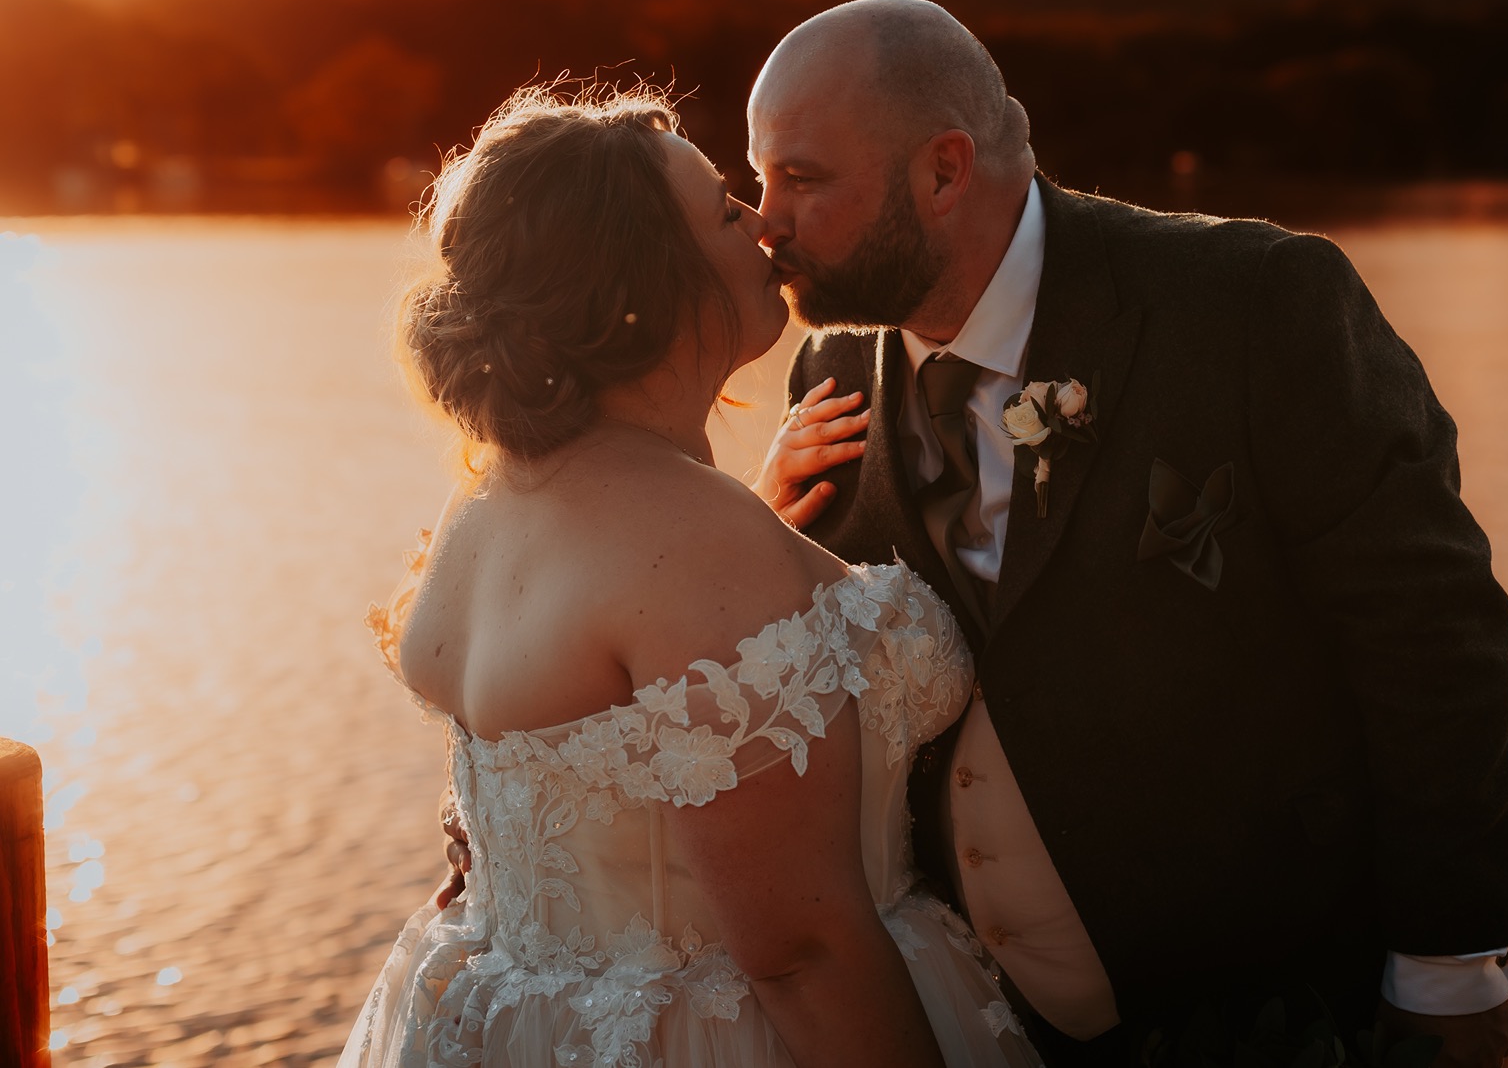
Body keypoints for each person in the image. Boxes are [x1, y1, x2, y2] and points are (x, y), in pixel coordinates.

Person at [745, 0, 1508, 1067]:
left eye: (799, 179)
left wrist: (1447, 966)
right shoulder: (829, 373)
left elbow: (1430, 631)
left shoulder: (1255, 305)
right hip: (983, 1029)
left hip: (1283, 1015)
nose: (764, 220)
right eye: (756, 180)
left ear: (943, 173)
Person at [341, 86, 1042, 1068]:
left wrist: (755, 526)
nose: (763, 225)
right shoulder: (697, 540)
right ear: (646, 275)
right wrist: (740, 540)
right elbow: (798, 951)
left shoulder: (493, 501)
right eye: (724, 210)